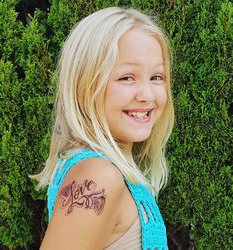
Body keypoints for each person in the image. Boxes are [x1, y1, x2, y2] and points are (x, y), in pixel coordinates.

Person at [35, 6, 174, 250]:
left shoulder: (111, 170)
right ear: (84, 86)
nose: (147, 94)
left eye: (157, 77)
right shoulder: (97, 176)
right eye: (127, 77)